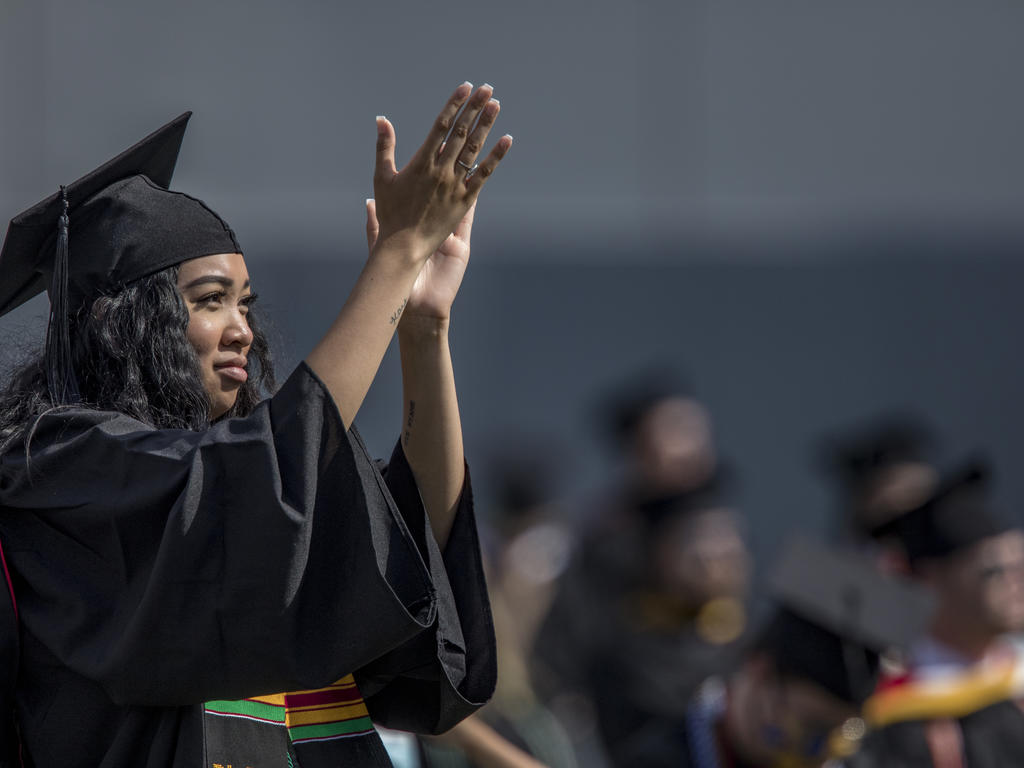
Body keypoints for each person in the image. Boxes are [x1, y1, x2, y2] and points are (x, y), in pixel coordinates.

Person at [0, 82, 511, 767]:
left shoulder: (249, 474)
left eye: (246, 304)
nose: (243, 329)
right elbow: (252, 486)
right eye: (211, 302)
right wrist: (393, 258)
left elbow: (421, 564)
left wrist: (424, 325)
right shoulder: (60, 473)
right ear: (118, 322)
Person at [619, 536, 933, 768]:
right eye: (812, 727)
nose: (819, 752)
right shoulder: (656, 760)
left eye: (844, 732)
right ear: (759, 670)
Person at [849, 461, 1024, 767]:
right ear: (931, 580)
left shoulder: (1017, 677)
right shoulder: (888, 707)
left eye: (1019, 566)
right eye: (994, 570)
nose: (1015, 583)